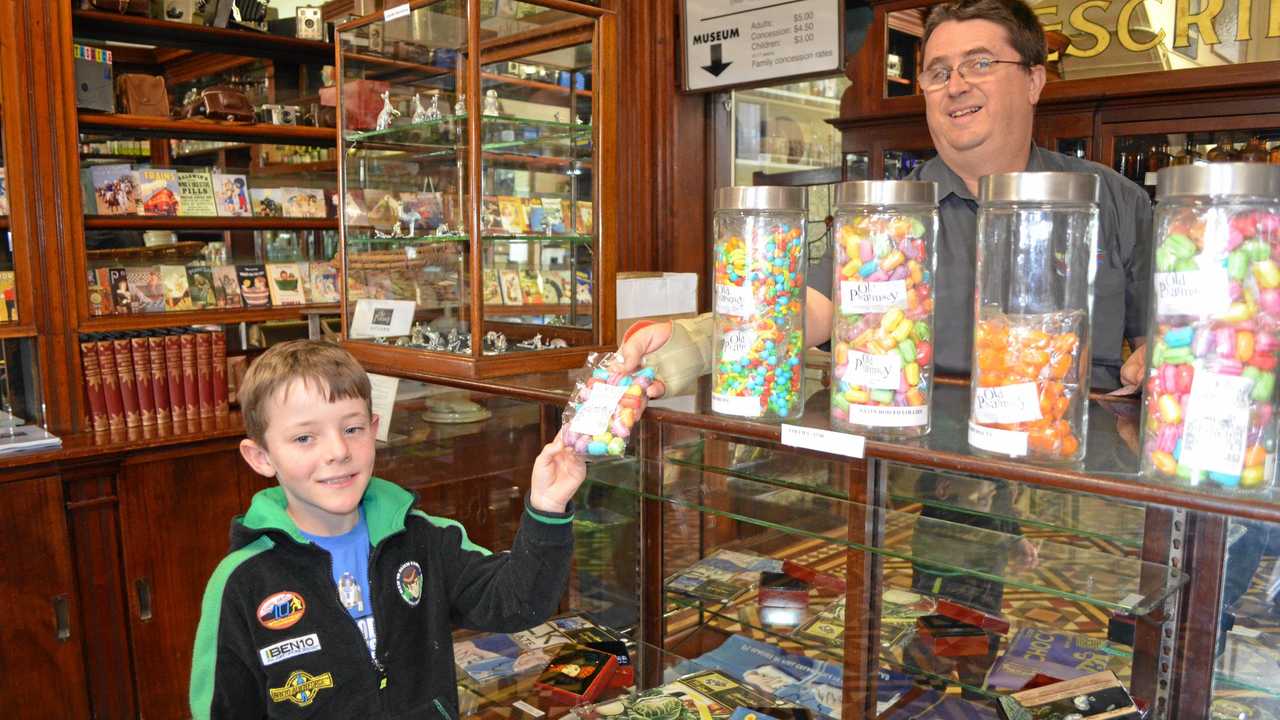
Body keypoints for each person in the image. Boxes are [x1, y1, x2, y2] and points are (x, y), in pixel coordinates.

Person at [619, 0, 1152, 397]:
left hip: (1070, 479)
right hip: (925, 477)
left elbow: (1170, 339)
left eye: (981, 63)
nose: (956, 85)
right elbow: (805, 308)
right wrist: (687, 345)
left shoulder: (1113, 201)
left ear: (1034, 80)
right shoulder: (887, 212)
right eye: (939, 72)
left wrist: (1163, 358)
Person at [189, 340, 586, 718]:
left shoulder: (424, 539)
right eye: (304, 437)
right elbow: (221, 708)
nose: (338, 452)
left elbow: (519, 602)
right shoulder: (240, 582)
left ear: (374, 429)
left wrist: (547, 508)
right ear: (261, 457)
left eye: (352, 429)